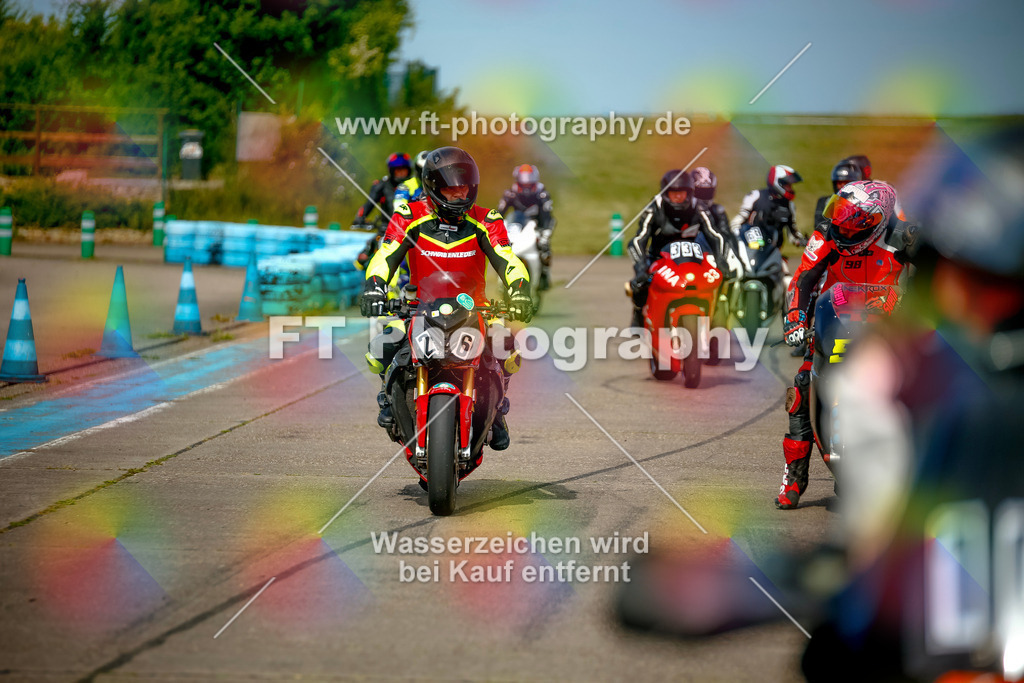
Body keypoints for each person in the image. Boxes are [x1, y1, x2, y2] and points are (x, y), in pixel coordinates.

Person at [360, 146, 533, 450]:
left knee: (508, 350)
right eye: (451, 188)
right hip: (417, 310)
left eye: (464, 187)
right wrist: (375, 287)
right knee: (380, 348)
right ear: (433, 186)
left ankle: (496, 411)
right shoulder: (408, 216)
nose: (459, 194)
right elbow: (384, 255)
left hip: (474, 311)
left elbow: (509, 260)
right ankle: (389, 398)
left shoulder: (487, 219)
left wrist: (519, 291)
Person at [776, 180, 916, 510]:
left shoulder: (906, 236)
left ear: (876, 220)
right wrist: (795, 317)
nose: (840, 224)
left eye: (851, 220)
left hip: (884, 333)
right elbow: (804, 276)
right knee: (801, 391)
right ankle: (794, 479)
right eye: (838, 213)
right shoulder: (827, 233)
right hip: (832, 322)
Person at [628, 170, 739, 329]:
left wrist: (722, 262)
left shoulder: (698, 207)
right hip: (659, 260)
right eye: (674, 193)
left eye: (683, 193)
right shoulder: (654, 208)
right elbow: (638, 240)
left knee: (718, 281)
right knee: (640, 286)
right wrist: (640, 269)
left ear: (689, 192)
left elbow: (715, 235)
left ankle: (714, 320)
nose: (679, 197)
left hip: (692, 259)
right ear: (666, 193)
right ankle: (639, 316)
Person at [497, 164, 556, 291]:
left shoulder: (542, 194)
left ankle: (544, 276)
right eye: (524, 183)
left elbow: (547, 215)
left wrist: (545, 232)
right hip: (517, 225)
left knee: (544, 248)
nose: (526, 186)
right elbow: (499, 212)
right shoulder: (510, 193)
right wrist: (494, 225)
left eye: (529, 183)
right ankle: (502, 279)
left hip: (538, 226)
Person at [355, 152, 413, 268]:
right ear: (392, 171)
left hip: (411, 232)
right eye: (398, 170)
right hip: (386, 230)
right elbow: (368, 204)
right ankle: (366, 281)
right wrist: (360, 218)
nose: (401, 173)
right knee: (362, 258)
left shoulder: (414, 185)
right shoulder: (381, 185)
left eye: (404, 170)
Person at [730, 164, 807, 248]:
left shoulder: (790, 205)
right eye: (788, 185)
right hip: (750, 249)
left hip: (773, 253)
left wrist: (804, 241)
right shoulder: (755, 196)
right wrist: (737, 236)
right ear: (778, 182)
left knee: (783, 262)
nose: (791, 189)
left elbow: (793, 234)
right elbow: (737, 223)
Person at [813, 159, 864, 226]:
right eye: (839, 182)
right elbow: (819, 225)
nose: (843, 186)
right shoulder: (824, 202)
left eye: (846, 182)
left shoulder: (864, 204)